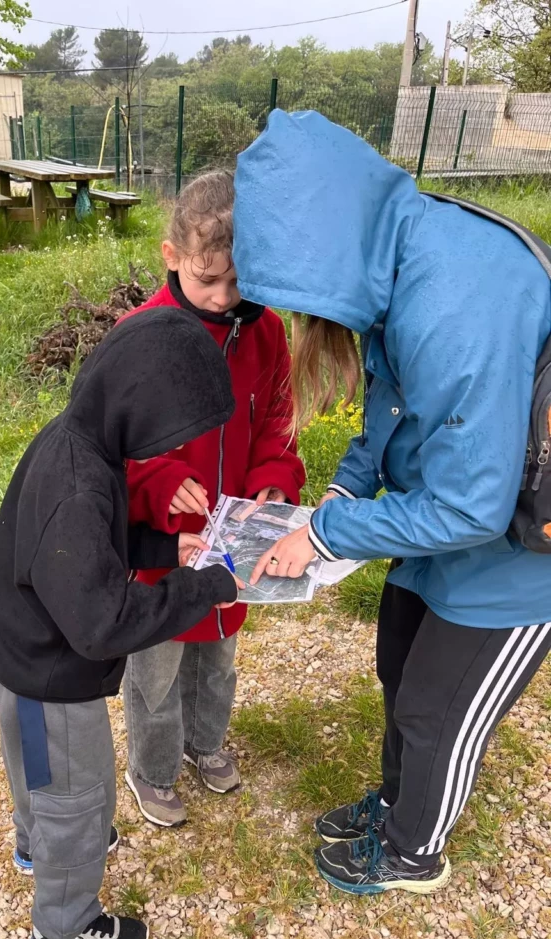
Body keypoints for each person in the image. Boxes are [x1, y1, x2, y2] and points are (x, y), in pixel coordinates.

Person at [232, 110, 551, 895]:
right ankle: (398, 802)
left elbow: (473, 507)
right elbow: (395, 413)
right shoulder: (395, 255)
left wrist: (330, 531)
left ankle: (415, 850)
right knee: (401, 674)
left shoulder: (452, 299)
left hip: (514, 553)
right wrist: (341, 492)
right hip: (434, 521)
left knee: (440, 710)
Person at [0, 307, 241, 939]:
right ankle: (64, 925)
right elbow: (103, 624)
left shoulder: (76, 442)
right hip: (55, 671)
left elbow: (83, 551)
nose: (164, 452)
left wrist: (161, 545)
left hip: (19, 652)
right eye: (166, 437)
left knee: (37, 773)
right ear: (135, 413)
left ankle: (41, 848)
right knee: (76, 791)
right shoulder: (81, 487)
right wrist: (203, 588)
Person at [124, 171, 305, 827]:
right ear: (172, 259)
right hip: (164, 549)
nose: (225, 298)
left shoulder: (265, 333)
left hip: (233, 540)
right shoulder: (141, 335)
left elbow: (277, 422)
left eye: (240, 282)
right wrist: (161, 482)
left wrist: (275, 480)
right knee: (158, 668)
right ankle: (151, 768)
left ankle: (206, 744)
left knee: (220, 654)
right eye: (208, 281)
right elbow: (112, 445)